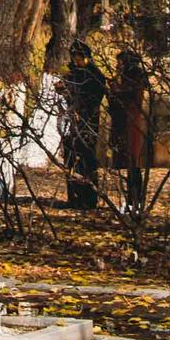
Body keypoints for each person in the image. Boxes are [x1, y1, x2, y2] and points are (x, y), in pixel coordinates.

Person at [61, 37, 106, 211]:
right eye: (74, 57)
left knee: (87, 158)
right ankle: (74, 197)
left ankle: (89, 198)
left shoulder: (94, 74)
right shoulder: (71, 73)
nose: (77, 61)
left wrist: (83, 105)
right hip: (71, 120)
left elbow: (97, 93)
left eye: (80, 57)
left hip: (88, 120)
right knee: (71, 157)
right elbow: (67, 90)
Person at [110, 46, 151, 213]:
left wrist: (115, 89)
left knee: (133, 164)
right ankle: (133, 200)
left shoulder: (134, 79)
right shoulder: (133, 78)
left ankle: (136, 200)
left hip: (132, 122)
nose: (117, 66)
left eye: (120, 63)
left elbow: (128, 98)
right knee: (131, 165)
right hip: (130, 121)